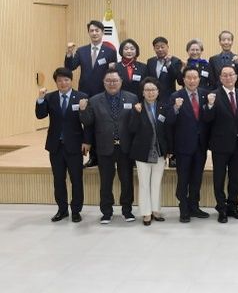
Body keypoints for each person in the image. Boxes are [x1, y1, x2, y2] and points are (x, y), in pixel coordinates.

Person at [79, 68, 138, 224]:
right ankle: (106, 212)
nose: (112, 83)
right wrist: (83, 111)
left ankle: (127, 210)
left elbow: (135, 123)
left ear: (121, 82)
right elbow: (88, 123)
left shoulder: (132, 98)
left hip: (125, 147)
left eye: (115, 80)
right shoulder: (94, 100)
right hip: (104, 146)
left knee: (127, 180)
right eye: (109, 81)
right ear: (103, 82)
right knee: (105, 181)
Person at [35, 67, 89, 223]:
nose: (63, 83)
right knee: (58, 180)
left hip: (75, 145)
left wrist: (87, 141)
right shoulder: (49, 97)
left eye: (66, 79)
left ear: (71, 80)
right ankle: (62, 210)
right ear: (56, 82)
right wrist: (40, 99)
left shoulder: (82, 97)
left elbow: (88, 122)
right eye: (59, 80)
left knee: (76, 180)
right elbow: (40, 115)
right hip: (55, 146)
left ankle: (76, 211)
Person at [64, 20, 117, 168]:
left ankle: (103, 155)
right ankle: (92, 157)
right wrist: (69, 54)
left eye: (97, 30)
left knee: (101, 124)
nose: (94, 33)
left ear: (102, 32)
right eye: (91, 31)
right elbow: (70, 67)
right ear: (88, 33)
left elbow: (112, 73)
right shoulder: (81, 51)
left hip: (102, 93)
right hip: (85, 93)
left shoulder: (110, 51)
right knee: (88, 124)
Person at [204, 65, 238, 223]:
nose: (228, 78)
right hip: (220, 144)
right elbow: (207, 119)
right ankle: (221, 208)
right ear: (220, 78)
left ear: (236, 77)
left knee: (235, 178)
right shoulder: (213, 95)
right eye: (225, 75)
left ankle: (233, 206)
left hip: (237, 144)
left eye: (231, 75)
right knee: (219, 178)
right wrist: (209, 105)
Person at [166, 67, 211, 223]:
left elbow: (209, 119)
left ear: (199, 79)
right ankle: (183, 207)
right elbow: (169, 120)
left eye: (195, 78)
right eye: (189, 78)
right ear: (183, 80)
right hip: (183, 145)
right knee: (183, 178)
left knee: (197, 177)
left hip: (201, 144)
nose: (192, 81)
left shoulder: (205, 94)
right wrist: (176, 108)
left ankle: (194, 206)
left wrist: (210, 106)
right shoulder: (175, 96)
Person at [128, 77, 168, 226]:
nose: (150, 93)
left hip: (159, 151)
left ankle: (156, 210)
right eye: (147, 90)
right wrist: (137, 113)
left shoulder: (163, 107)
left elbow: (168, 130)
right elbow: (132, 129)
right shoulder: (137, 107)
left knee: (156, 182)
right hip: (142, 151)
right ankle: (146, 213)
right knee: (144, 183)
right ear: (143, 92)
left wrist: (169, 150)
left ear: (158, 92)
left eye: (153, 90)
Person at [146, 36, 183, 106]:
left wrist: (168, 64)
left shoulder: (175, 61)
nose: (160, 49)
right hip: (153, 97)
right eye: (157, 47)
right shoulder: (150, 61)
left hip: (169, 97)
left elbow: (177, 78)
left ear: (167, 47)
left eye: (162, 47)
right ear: (154, 49)